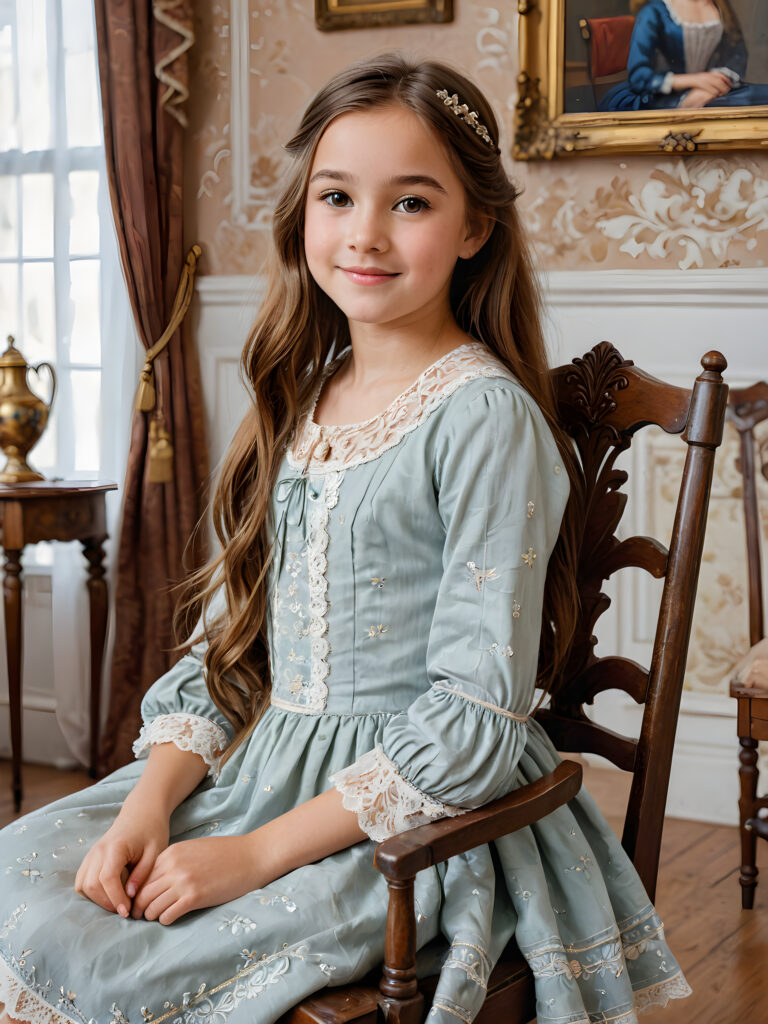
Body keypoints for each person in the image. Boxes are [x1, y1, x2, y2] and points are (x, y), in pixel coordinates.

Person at [0, 52, 692, 1024]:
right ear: (305, 214)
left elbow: (477, 718)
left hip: (416, 818)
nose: (365, 233)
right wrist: (148, 802)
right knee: (24, 881)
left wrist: (249, 855)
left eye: (410, 203)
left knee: (120, 956)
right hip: (263, 769)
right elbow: (234, 646)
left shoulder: (481, 418)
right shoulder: (303, 394)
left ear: (474, 226)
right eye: (337, 196)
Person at [600, 0, 768, 111]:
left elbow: (736, 55)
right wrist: (696, 81)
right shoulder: (654, 12)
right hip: (664, 93)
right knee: (722, 107)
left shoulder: (718, 7)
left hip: (713, 88)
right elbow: (639, 76)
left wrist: (716, 82)